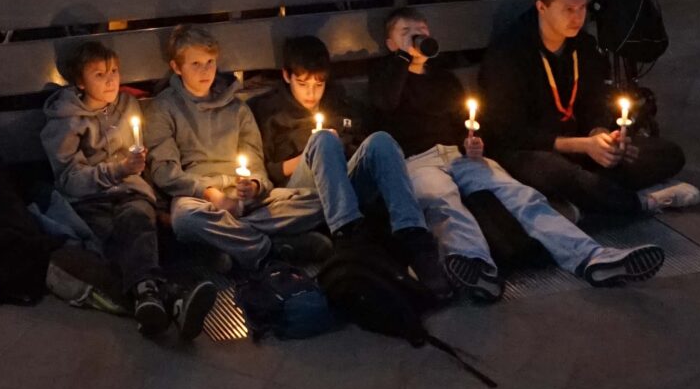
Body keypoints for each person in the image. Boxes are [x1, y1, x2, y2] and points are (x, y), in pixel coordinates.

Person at [358, 10, 662, 298]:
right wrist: (402, 57)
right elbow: (384, 102)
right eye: (406, 32)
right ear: (390, 43)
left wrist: (471, 143)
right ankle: (475, 267)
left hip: (457, 155)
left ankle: (593, 257)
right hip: (417, 161)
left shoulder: (443, 79)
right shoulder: (384, 77)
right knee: (443, 202)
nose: (416, 36)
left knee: (521, 195)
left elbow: (460, 124)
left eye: (421, 31)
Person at [477, 0, 697, 221]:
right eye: (568, 10)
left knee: (667, 154)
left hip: (581, 147)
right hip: (529, 150)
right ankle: (639, 203)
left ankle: (581, 202)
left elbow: (595, 102)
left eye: (582, 8)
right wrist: (582, 145)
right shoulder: (509, 53)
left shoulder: (583, 46)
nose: (577, 18)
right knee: (556, 172)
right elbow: (510, 132)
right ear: (542, 7)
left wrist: (602, 134)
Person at [40, 41, 219, 340]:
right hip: (89, 200)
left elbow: (142, 164)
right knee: (115, 242)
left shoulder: (127, 106)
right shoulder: (65, 120)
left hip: (131, 193)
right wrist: (118, 169)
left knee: (137, 224)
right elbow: (69, 178)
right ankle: (168, 298)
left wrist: (142, 178)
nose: (110, 79)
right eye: (99, 75)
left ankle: (149, 298)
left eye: (114, 71)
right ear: (80, 82)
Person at [249, 36, 450, 299]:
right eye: (303, 84)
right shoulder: (268, 110)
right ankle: (350, 241)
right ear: (287, 76)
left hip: (344, 187)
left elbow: (359, 139)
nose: (311, 93)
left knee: (381, 141)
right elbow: (268, 172)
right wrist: (313, 153)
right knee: (321, 139)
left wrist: (341, 147)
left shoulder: (338, 101)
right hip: (299, 193)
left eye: (318, 84)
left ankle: (414, 238)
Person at [140, 27, 322, 272]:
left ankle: (230, 242)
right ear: (176, 67)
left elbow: (256, 162)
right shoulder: (164, 108)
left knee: (318, 203)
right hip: (201, 198)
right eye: (195, 64)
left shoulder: (237, 108)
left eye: (210, 62)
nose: (205, 70)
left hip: (244, 198)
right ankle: (269, 250)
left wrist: (254, 185)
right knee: (184, 220)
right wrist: (211, 193)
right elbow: (165, 171)